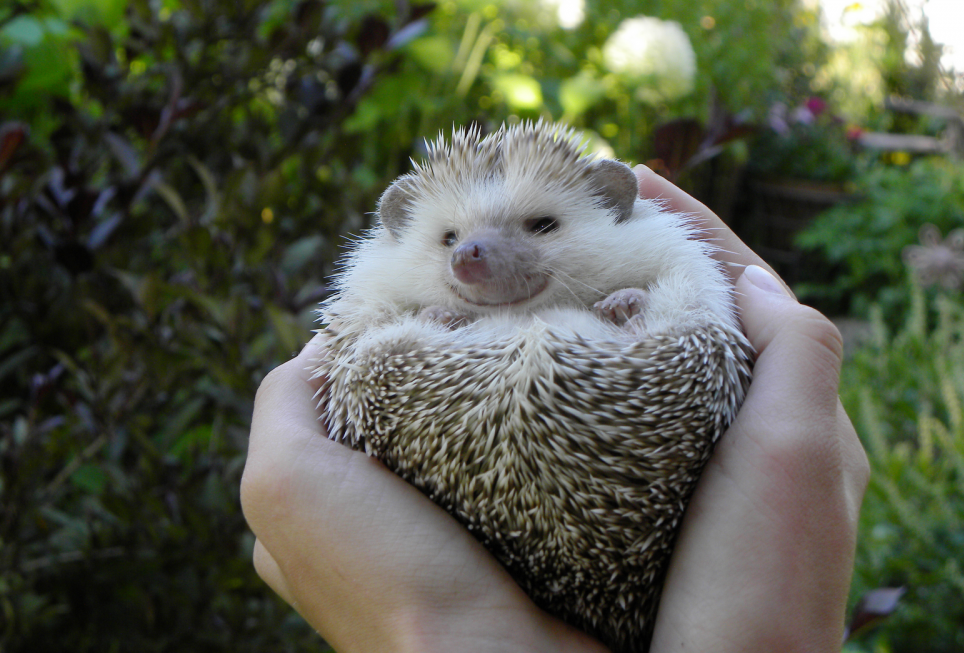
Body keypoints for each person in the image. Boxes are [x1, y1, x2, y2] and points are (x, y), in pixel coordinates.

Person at [240, 166, 870, 653]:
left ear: (615, 204)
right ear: (405, 229)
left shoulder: (656, 271)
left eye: (540, 224)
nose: (472, 254)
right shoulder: (390, 304)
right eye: (450, 237)